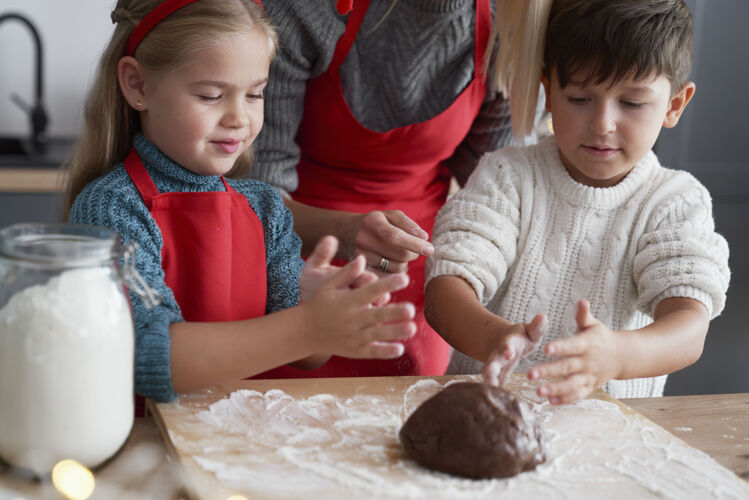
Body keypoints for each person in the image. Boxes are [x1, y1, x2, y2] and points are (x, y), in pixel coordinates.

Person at [63, 0, 417, 405]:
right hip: (143, 445)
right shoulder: (112, 207)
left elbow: (306, 356)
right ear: (138, 86)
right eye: (212, 95)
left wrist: (327, 308)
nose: (239, 117)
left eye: (255, 94)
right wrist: (306, 327)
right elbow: (145, 353)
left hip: (234, 442)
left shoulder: (265, 208)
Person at [424, 0, 731, 402]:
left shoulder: (674, 202)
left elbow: (689, 327)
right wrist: (495, 339)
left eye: (632, 103)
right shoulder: (507, 177)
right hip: (490, 412)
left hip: (616, 437)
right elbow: (447, 287)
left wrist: (618, 356)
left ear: (674, 104)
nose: (602, 124)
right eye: (580, 99)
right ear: (547, 92)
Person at [248, 0, 540, 378]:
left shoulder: (510, 28)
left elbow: (493, 196)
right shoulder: (308, 10)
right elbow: (252, 196)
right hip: (291, 274)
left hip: (420, 292)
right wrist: (345, 232)